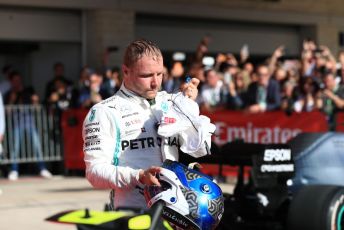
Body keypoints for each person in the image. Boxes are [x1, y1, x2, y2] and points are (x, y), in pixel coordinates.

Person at [83, 39, 213, 210]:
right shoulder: (104, 111)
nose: (155, 83)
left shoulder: (173, 102)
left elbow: (198, 150)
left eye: (160, 74)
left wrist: (188, 105)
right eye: (146, 76)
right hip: (132, 211)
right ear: (125, 71)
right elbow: (94, 173)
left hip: (176, 211)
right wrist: (138, 176)